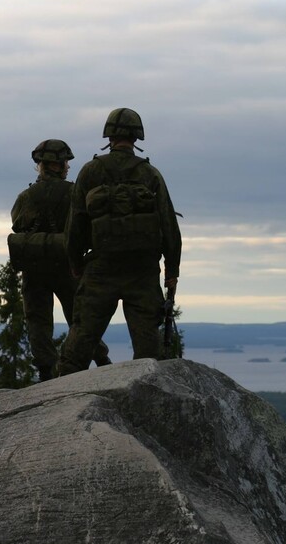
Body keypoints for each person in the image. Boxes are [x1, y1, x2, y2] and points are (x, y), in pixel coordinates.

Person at [60, 108, 182, 374]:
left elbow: (76, 224)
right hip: (143, 269)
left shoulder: (90, 171)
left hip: (101, 267)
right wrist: (172, 271)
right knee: (147, 350)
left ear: (109, 136)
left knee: (81, 339)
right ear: (137, 136)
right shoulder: (150, 174)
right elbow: (169, 227)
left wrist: (75, 263)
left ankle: (60, 398)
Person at [10, 139, 112, 381]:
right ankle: (102, 360)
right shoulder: (75, 192)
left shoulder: (26, 195)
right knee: (80, 318)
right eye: (65, 162)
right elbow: (85, 226)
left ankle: (46, 372)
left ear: (42, 166)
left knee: (38, 320)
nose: (67, 166)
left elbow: (17, 222)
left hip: (34, 266)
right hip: (68, 265)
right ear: (59, 165)